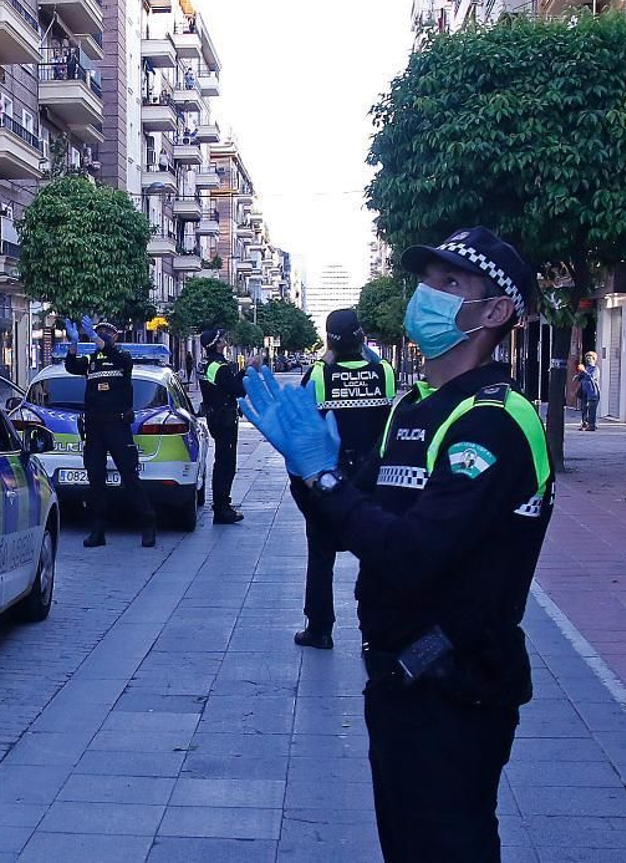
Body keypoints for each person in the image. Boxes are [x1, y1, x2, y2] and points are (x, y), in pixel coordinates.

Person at [242, 227, 553, 861]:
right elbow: (349, 524)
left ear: (495, 313)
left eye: (452, 284)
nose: (427, 295)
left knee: (450, 845)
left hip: (459, 685)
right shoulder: (412, 408)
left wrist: (326, 477)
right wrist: (310, 473)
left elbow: (413, 554)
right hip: (397, 679)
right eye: (428, 280)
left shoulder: (495, 422)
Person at [288, 309, 399, 651]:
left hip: (330, 476)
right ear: (362, 337)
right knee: (376, 553)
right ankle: (375, 630)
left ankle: (320, 628)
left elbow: (305, 427)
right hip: (373, 475)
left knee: (321, 555)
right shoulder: (384, 371)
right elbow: (389, 423)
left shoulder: (319, 375)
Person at [64, 316, 156, 548]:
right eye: (98, 332)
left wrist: (94, 338)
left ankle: (147, 526)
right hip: (95, 428)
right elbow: (72, 366)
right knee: (95, 480)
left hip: (117, 426)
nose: (102, 335)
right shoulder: (91, 360)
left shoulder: (122, 358)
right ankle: (98, 531)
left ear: (115, 336)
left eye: (107, 333)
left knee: (130, 477)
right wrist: (73, 344)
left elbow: (115, 356)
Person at [198, 327, 247, 526]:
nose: (226, 341)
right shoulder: (219, 366)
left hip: (214, 415)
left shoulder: (205, 363)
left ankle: (221, 505)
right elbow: (237, 390)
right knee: (226, 464)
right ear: (217, 344)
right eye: (222, 339)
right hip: (224, 418)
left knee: (221, 462)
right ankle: (222, 508)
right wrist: (245, 371)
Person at [577, 351, 601, 432]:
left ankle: (592, 425)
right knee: (584, 409)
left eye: (590, 358)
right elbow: (582, 377)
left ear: (594, 359)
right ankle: (584, 424)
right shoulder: (587, 368)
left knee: (591, 410)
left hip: (593, 393)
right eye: (587, 358)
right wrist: (578, 375)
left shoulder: (595, 369)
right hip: (584, 393)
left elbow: (591, 377)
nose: (588, 360)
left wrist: (584, 371)